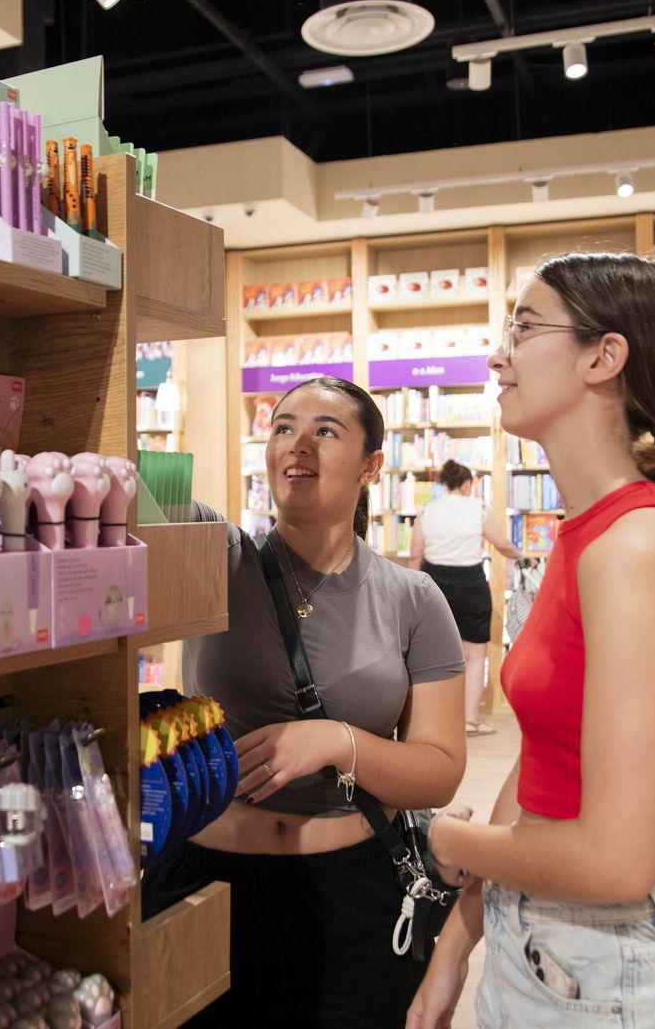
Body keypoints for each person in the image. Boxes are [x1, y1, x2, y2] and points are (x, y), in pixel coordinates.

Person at [407, 253, 655, 1029]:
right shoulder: (590, 534)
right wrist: (455, 945)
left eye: (524, 328)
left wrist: (451, 836)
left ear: (604, 356)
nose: (498, 354)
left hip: (627, 969)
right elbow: (542, 763)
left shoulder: (638, 548)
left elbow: (617, 860)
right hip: (555, 948)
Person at [143, 376, 467, 1028]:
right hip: (203, 881)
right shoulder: (219, 555)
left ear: (373, 466)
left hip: (351, 894)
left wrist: (339, 742)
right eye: (284, 427)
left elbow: (440, 769)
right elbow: (143, 497)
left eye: (326, 431)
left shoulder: (413, 600)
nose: (299, 445)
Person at [409, 459, 522, 736]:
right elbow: (503, 544)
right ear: (468, 484)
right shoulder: (479, 507)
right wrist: (521, 557)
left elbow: (415, 556)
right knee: (474, 655)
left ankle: (432, 720)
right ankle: (470, 721)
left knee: (432, 653)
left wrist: (412, 594)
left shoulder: (427, 511)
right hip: (471, 581)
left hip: (433, 580)